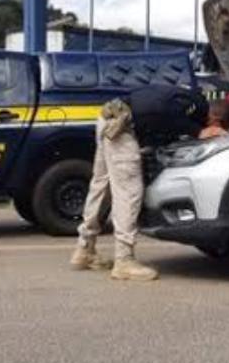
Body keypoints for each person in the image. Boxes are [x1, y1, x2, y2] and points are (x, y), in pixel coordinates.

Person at [70, 84, 208, 281]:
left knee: (102, 186)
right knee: (129, 192)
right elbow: (167, 116)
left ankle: (84, 249)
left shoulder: (178, 92)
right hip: (123, 129)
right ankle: (124, 260)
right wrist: (199, 131)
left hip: (107, 118)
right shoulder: (195, 105)